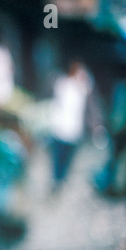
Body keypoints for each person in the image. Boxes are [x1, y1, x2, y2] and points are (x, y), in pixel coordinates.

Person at [48, 59, 93, 192]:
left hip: (74, 130)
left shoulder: (82, 88)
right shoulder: (63, 84)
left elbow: (89, 87)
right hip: (60, 128)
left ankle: (61, 179)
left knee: (67, 159)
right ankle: (57, 180)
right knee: (58, 157)